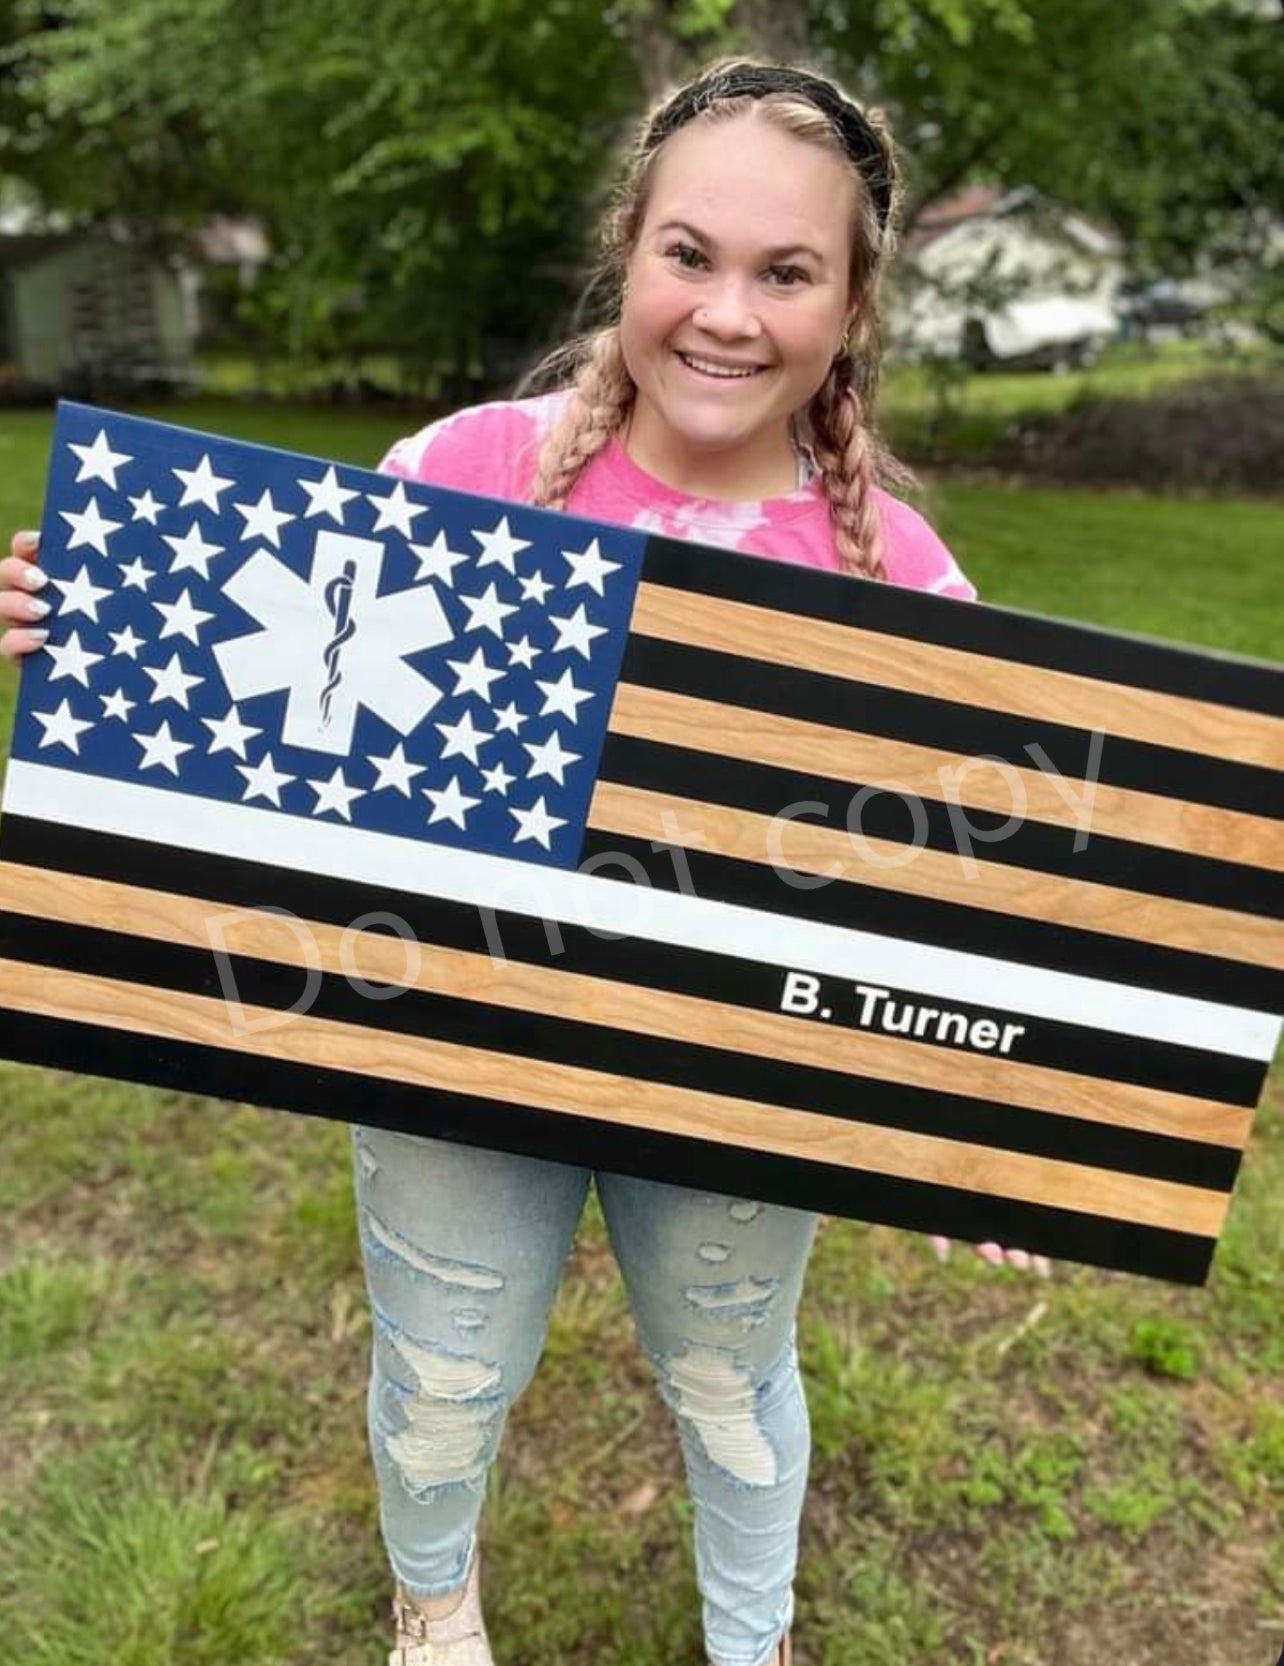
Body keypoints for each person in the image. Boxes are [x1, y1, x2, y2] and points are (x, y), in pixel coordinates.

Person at [0, 57, 1052, 1666]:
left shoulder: (896, 573)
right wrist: (105, 629)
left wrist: (1006, 1114)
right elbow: (285, 684)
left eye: (788, 271)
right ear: (630, 250)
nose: (727, 311)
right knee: (441, 1366)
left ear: (851, 304)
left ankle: (750, 1635)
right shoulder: (463, 470)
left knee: (731, 1372)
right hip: (450, 1047)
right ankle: (436, 1609)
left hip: (729, 1087)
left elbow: (969, 872)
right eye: (689, 254)